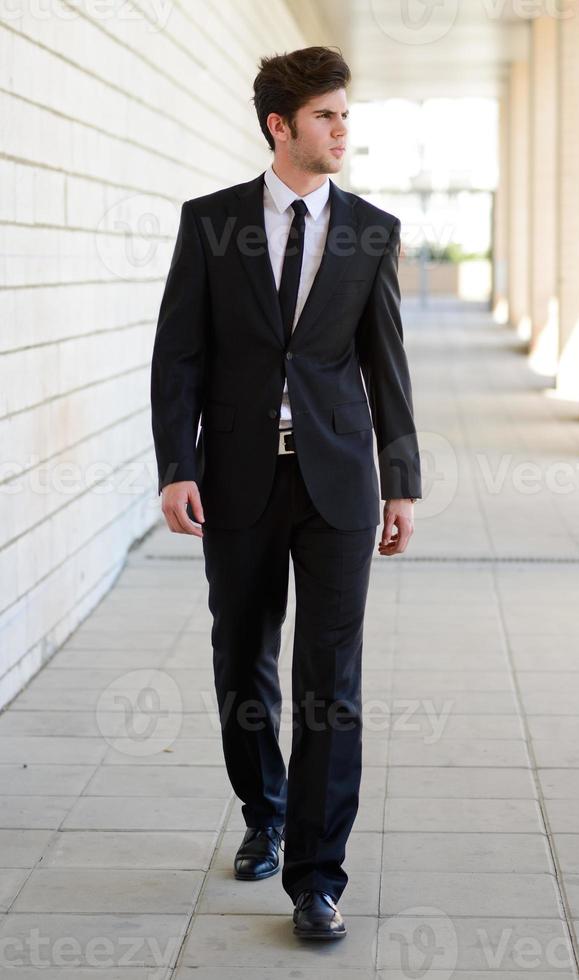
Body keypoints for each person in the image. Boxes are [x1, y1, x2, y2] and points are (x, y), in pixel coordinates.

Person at [150, 45, 421, 940]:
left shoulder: (370, 230)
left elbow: (388, 365)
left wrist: (402, 483)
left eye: (346, 116)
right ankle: (264, 814)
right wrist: (176, 467)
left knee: (330, 682)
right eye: (327, 117)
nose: (343, 132)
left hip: (338, 481)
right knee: (243, 663)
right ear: (281, 126)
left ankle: (316, 877)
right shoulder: (211, 223)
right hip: (237, 479)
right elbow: (178, 356)